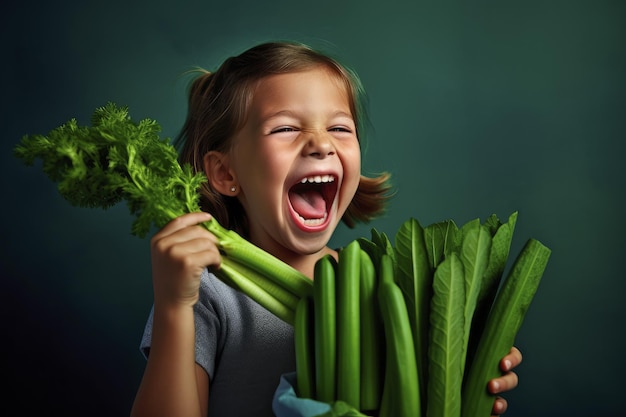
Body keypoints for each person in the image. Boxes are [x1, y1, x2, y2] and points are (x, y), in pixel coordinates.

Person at [130, 41, 522, 417]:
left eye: (339, 128)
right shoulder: (204, 294)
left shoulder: (387, 283)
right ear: (225, 172)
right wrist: (173, 307)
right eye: (284, 129)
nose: (320, 144)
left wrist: (468, 379)